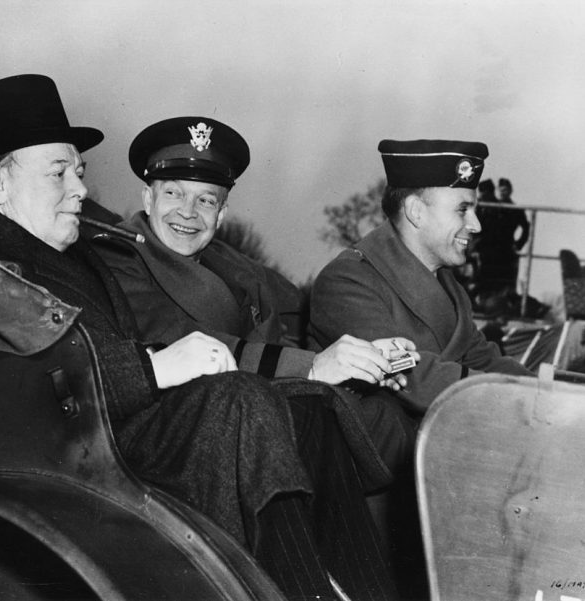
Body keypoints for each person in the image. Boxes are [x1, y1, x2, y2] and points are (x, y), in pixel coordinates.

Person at [0, 74, 402, 601]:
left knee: (312, 405)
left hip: (119, 430)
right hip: (73, 458)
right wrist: (154, 367)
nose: (81, 189)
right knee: (241, 402)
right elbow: (18, 386)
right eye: (59, 173)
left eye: (80, 172)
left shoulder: (63, 250)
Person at [95, 115, 419, 473]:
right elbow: (186, 342)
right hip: (182, 435)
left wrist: (362, 363)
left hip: (248, 411)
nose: (187, 213)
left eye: (206, 200)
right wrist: (313, 367)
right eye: (173, 193)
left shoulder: (237, 267)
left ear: (221, 214)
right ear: (148, 197)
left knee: (387, 419)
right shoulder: (118, 257)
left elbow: (275, 342)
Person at [309, 139, 534, 413]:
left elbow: (483, 359)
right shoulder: (347, 282)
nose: (476, 225)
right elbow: (414, 375)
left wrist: (548, 392)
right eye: (463, 210)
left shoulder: (450, 289)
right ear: (416, 212)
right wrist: (522, 400)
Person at [473, 176, 530, 302]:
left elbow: (526, 227)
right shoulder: (492, 206)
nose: (503, 192)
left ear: (510, 191)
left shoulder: (515, 209)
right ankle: (484, 302)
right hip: (489, 247)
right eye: (501, 190)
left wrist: (518, 244)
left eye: (506, 190)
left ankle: (502, 304)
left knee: (504, 278)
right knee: (486, 276)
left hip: (506, 247)